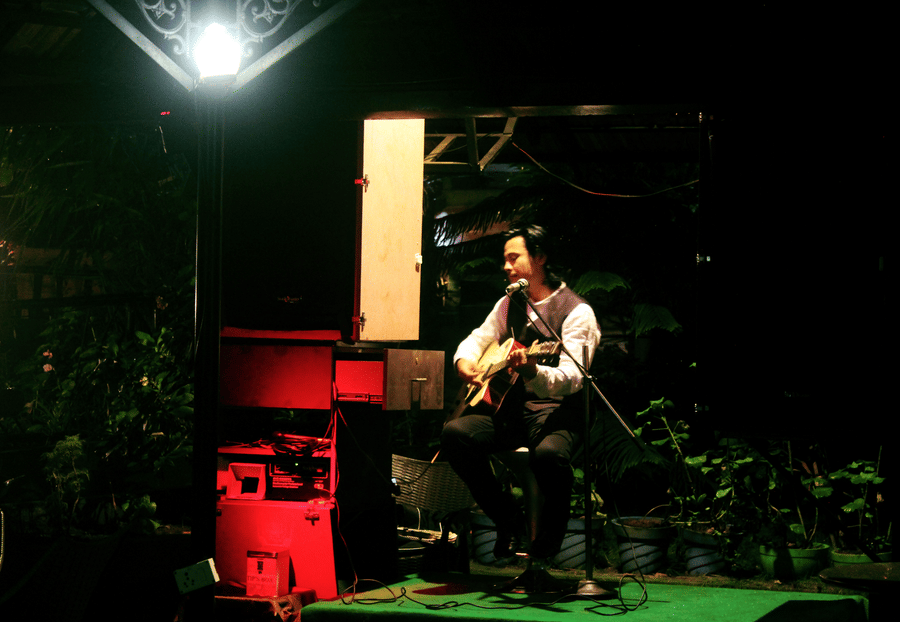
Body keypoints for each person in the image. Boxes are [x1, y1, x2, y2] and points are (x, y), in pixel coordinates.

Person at [441, 223, 601, 570]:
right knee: (456, 434)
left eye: (514, 258)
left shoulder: (577, 312)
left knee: (549, 457)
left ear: (540, 257)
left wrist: (533, 371)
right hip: (513, 411)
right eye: (505, 259)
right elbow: (477, 339)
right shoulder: (507, 303)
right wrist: (464, 362)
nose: (506, 266)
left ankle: (545, 546)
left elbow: (573, 378)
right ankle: (507, 519)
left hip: (558, 412)